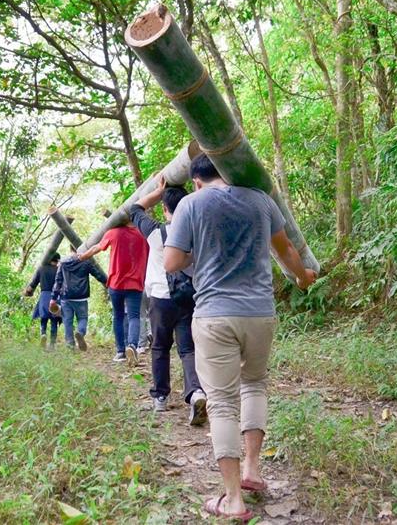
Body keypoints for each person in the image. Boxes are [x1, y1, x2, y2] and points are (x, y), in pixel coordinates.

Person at [164, 154, 317, 522]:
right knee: (254, 386)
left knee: (221, 402)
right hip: (260, 312)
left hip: (215, 315)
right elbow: (287, 250)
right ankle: (252, 470)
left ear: (197, 180)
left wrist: (197, 250)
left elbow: (171, 262)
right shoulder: (261, 200)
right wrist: (302, 277)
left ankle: (233, 499)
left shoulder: (190, 204)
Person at [130, 175, 207, 425]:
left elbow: (134, 209)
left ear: (165, 209)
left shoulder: (155, 233)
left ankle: (160, 397)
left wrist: (157, 191)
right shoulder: (197, 232)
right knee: (188, 348)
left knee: (160, 346)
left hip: (161, 299)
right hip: (188, 297)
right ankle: (195, 392)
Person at [78, 219, 149, 366]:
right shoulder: (143, 234)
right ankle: (132, 346)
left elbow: (96, 248)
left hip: (116, 283)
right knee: (134, 316)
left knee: (118, 316)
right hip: (135, 283)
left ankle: (120, 352)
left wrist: (83, 256)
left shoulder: (113, 233)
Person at [51, 253, 107, 352]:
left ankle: (70, 345)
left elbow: (58, 281)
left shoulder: (63, 264)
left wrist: (53, 298)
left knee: (67, 321)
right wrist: (107, 281)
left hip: (66, 297)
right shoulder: (86, 263)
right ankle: (80, 333)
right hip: (81, 297)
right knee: (82, 318)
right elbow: (97, 274)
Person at [25, 253, 62, 349]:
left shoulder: (41, 268)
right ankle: (52, 344)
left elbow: (33, 284)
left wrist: (27, 292)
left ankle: (43, 334)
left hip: (44, 296)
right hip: (56, 297)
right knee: (54, 320)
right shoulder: (59, 270)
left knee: (43, 318)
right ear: (58, 260)